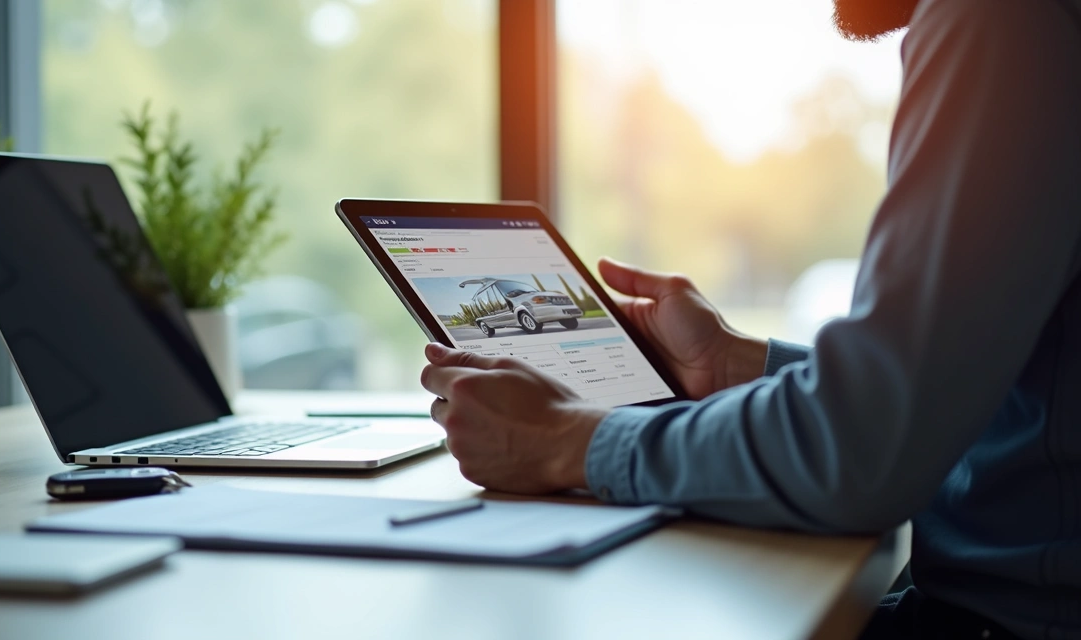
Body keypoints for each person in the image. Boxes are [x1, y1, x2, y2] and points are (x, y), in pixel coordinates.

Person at [419, 0, 1081, 637]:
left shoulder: (1002, 16)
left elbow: (861, 453)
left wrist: (566, 441)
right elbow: (958, 392)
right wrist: (736, 365)